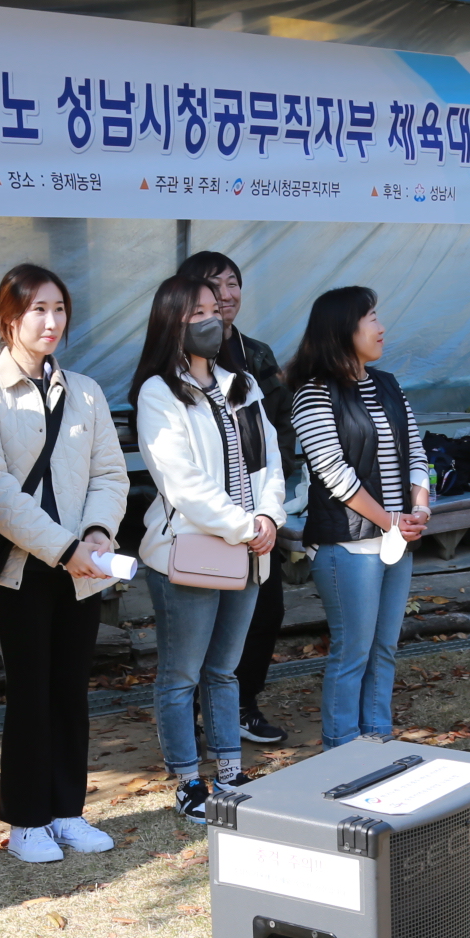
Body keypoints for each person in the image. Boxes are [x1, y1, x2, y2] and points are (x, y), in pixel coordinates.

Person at [0, 263, 128, 862]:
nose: (51, 321)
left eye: (59, 308)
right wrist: (64, 549)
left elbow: (110, 472)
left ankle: (67, 810)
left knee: (70, 691)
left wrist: (95, 533)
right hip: (24, 567)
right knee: (29, 692)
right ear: (10, 318)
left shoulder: (84, 390)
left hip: (84, 564)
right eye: (37, 309)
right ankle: (26, 819)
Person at [135, 273, 285, 822]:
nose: (213, 318)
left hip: (250, 548)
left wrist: (268, 515)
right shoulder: (159, 392)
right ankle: (186, 781)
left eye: (215, 310)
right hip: (193, 552)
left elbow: (269, 461)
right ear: (172, 321)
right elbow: (183, 484)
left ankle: (229, 770)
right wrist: (246, 526)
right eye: (197, 311)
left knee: (225, 671)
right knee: (182, 674)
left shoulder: (242, 384)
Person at [288, 286, 431, 749]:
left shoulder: (387, 384)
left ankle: (379, 742)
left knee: (384, 649)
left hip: (395, 539)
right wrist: (391, 519)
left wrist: (420, 507)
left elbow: (417, 452)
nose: (381, 326)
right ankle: (342, 750)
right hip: (346, 546)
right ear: (342, 329)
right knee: (353, 651)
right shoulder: (312, 393)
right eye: (370, 317)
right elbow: (334, 474)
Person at [182, 251, 295, 746]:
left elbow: (280, 434)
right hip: (203, 516)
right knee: (199, 620)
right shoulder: (174, 360)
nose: (225, 296)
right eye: (213, 286)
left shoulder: (257, 355)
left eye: (233, 284)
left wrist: (269, 505)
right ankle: (190, 717)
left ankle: (244, 705)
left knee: (266, 612)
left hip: (257, 515)